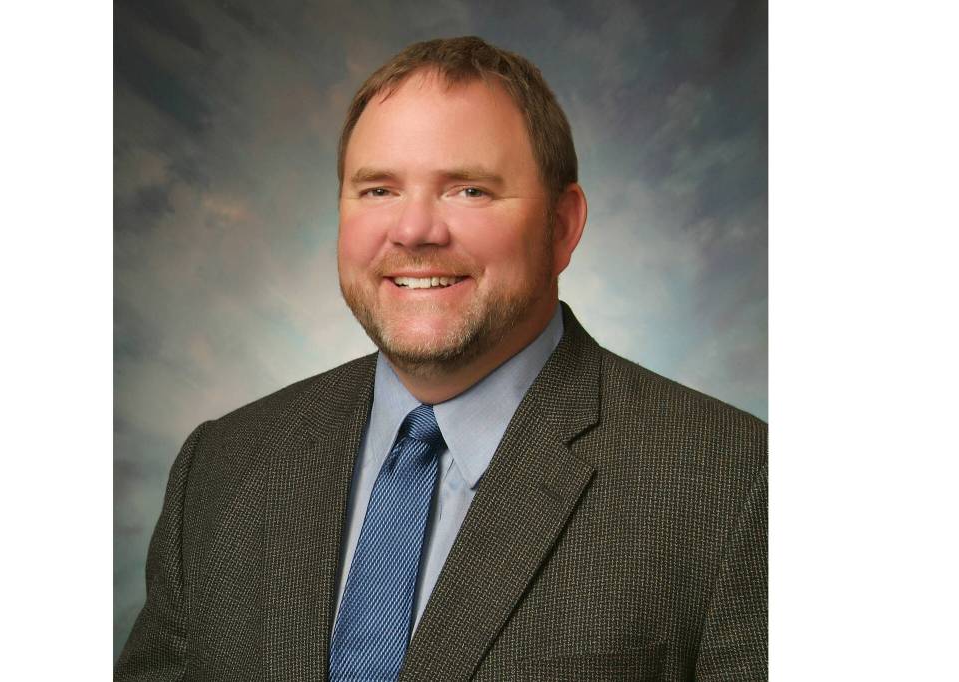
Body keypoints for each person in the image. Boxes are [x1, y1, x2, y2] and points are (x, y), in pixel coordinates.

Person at [116, 36, 767, 681]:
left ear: (563, 225)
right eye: (378, 190)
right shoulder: (221, 467)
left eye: (469, 190)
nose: (414, 230)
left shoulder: (733, 486)